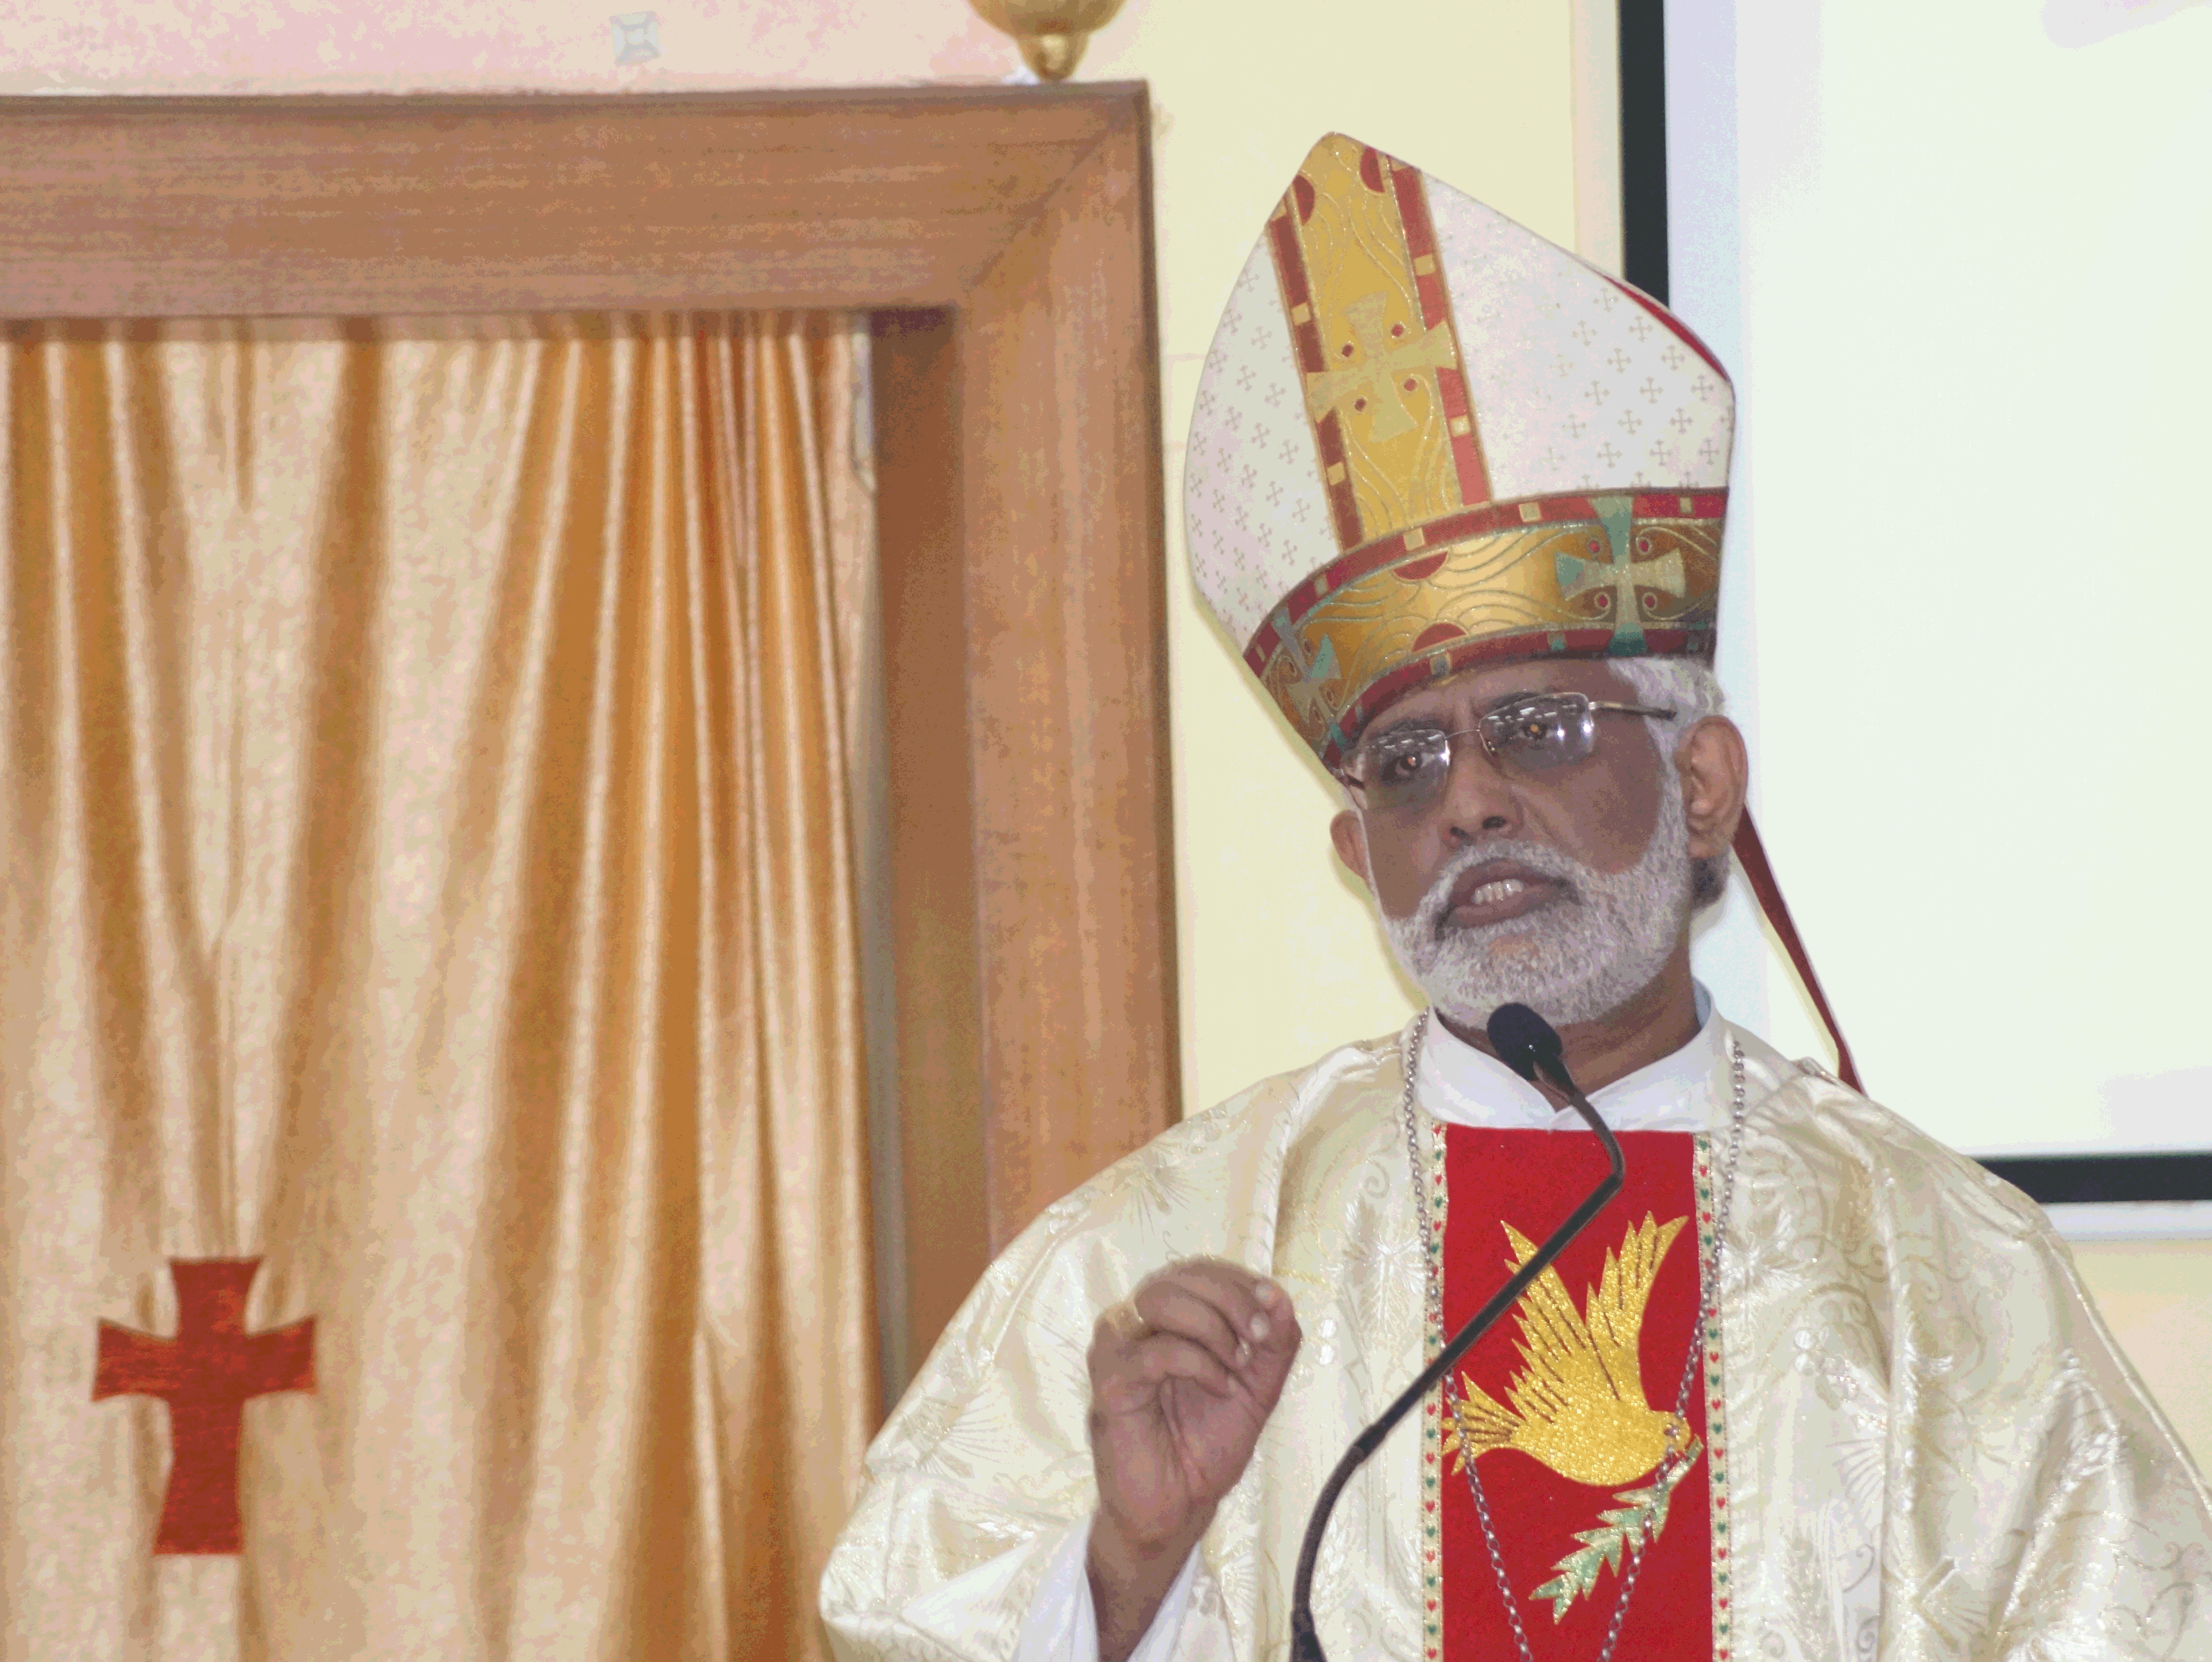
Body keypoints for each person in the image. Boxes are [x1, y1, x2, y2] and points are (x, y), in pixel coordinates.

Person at [819, 135, 2212, 1662]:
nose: (1469, 800)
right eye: (1406, 764)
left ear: (1701, 785)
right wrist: (1128, 1566)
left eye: (1539, 729)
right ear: (1360, 857)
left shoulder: (1942, 1269)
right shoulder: (1170, 1259)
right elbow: (901, 1624)